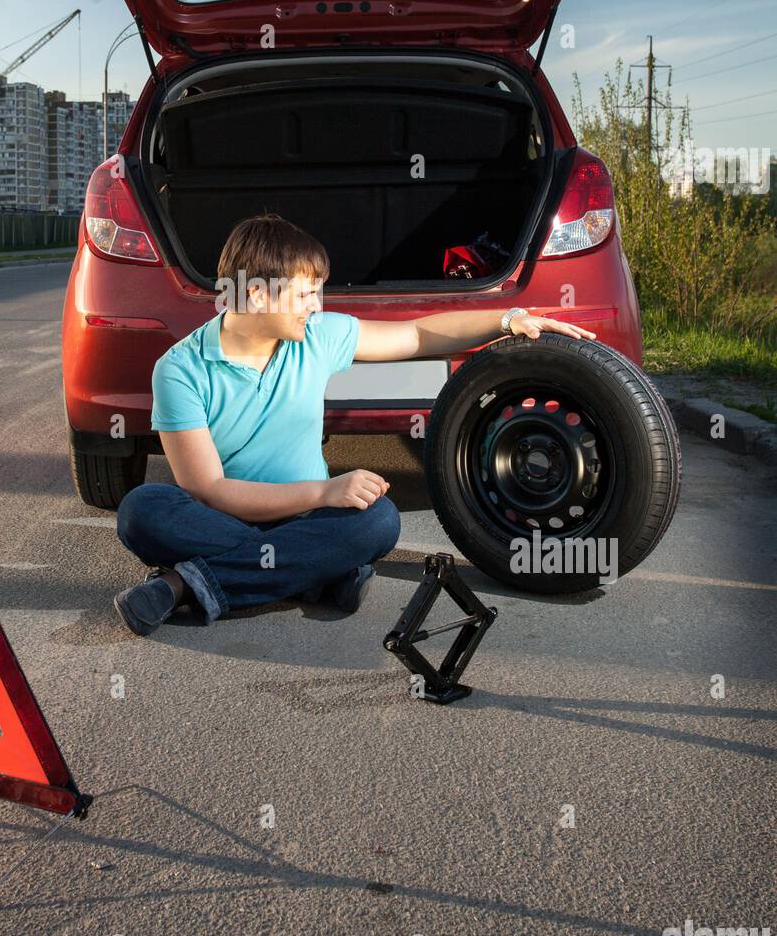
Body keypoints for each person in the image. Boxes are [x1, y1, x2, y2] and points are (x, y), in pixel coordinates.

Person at [114, 212, 596, 636]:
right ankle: (320, 573)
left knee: (377, 520)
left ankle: (185, 585)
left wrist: (508, 319)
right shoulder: (180, 370)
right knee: (142, 510)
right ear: (256, 294)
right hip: (223, 518)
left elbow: (417, 333)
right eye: (305, 294)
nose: (315, 306)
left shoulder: (316, 336)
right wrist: (325, 492)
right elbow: (210, 491)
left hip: (308, 522)